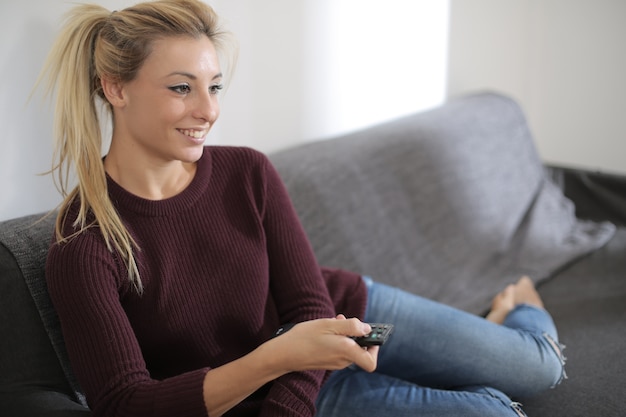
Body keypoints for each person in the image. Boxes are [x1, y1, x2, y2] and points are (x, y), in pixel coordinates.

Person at [40, 1, 566, 416]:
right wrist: (278, 361)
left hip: (343, 316)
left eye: (214, 86)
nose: (209, 110)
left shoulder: (246, 171)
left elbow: (310, 308)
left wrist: (289, 395)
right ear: (116, 88)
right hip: (269, 383)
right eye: (182, 88)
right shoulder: (82, 243)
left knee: (538, 367)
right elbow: (124, 404)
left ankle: (515, 302)